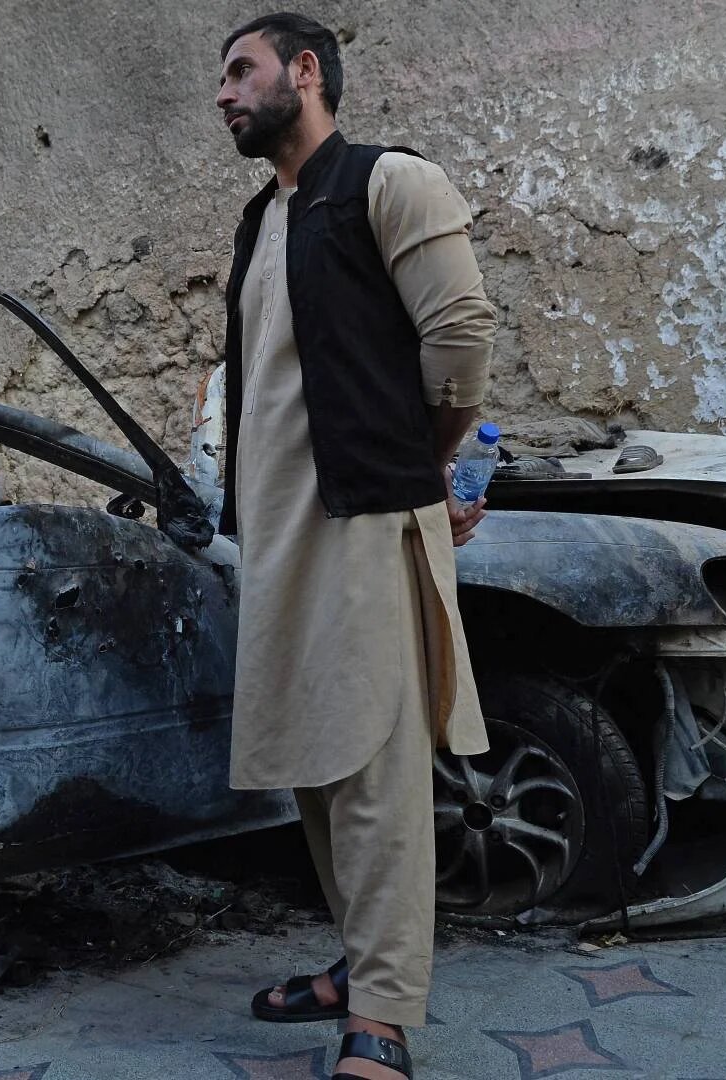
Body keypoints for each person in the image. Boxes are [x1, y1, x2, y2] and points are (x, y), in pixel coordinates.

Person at [212, 13, 496, 1079]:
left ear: (306, 72)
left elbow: (461, 337)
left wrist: (416, 463)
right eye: (223, 79)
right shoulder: (263, 218)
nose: (226, 95)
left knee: (374, 769)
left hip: (368, 521)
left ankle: (381, 1013)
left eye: (242, 71)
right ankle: (356, 962)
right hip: (281, 538)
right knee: (317, 767)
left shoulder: (390, 183)